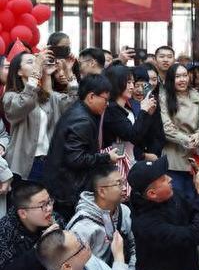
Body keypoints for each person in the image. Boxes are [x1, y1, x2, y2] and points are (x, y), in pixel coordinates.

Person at [44, 74, 121, 221]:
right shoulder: (82, 120)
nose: (107, 104)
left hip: (66, 186)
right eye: (105, 99)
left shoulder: (81, 111)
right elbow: (76, 159)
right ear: (91, 97)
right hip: (68, 190)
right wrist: (106, 157)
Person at [4, 50, 77, 183]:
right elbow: (24, 102)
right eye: (30, 62)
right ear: (19, 71)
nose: (37, 64)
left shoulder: (44, 96)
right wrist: (37, 71)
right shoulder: (11, 97)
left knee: (47, 202)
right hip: (23, 164)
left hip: (49, 161)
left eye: (37, 61)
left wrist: (69, 72)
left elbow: (72, 102)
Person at [0, 182, 61, 270]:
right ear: (23, 213)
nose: (49, 208)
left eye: (49, 202)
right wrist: (40, 246)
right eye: (42, 205)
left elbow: (64, 256)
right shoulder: (5, 231)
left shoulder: (54, 219)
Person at [67, 166, 137, 270]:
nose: (124, 188)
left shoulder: (124, 211)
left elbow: (132, 246)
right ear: (102, 191)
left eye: (123, 182)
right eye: (119, 184)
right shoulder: (82, 226)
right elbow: (73, 268)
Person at [103, 65, 157, 198]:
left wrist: (148, 114)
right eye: (128, 82)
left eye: (132, 82)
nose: (132, 86)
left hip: (130, 161)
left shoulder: (127, 106)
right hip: (116, 165)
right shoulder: (112, 110)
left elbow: (139, 135)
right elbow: (132, 135)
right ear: (116, 83)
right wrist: (143, 111)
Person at [159, 63, 199, 200]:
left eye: (185, 75)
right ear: (171, 79)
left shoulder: (196, 96)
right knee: (177, 199)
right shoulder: (164, 97)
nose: (182, 79)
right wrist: (187, 139)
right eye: (177, 76)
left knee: (197, 197)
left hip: (196, 155)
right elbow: (166, 128)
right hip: (174, 156)